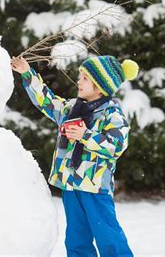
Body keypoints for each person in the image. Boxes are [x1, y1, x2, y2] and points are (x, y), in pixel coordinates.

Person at [11, 55, 138, 257]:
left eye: (85, 78)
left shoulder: (111, 115)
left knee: (108, 236)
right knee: (76, 238)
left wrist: (85, 136)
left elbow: (117, 145)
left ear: (99, 86)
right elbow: (48, 102)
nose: (79, 81)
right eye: (80, 76)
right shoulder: (71, 109)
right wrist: (27, 73)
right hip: (71, 184)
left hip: (94, 187)